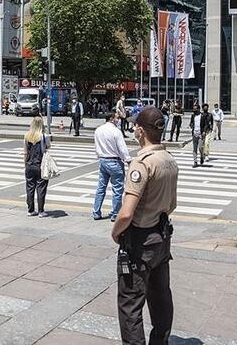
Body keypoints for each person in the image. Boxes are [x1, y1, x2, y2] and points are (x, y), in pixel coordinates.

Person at [111, 106, 177, 344]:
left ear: (140, 130)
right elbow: (172, 205)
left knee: (130, 303)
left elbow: (126, 213)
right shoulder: (169, 159)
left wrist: (116, 231)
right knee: (161, 296)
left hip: (140, 240)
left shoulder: (142, 163)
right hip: (162, 236)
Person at [92, 111, 132, 221]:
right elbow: (122, 148)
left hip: (103, 160)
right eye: (117, 118)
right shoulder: (116, 131)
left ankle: (96, 212)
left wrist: (99, 156)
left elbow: (96, 146)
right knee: (117, 189)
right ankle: (115, 214)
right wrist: (128, 160)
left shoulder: (98, 130)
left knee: (101, 187)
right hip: (115, 161)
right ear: (111, 118)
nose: (118, 120)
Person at [24, 116, 50, 217]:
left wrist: (25, 165)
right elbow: (48, 147)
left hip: (29, 165)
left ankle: (30, 210)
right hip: (40, 165)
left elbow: (25, 152)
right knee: (41, 187)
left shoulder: (27, 136)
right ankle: (41, 211)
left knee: (30, 187)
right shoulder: (44, 136)